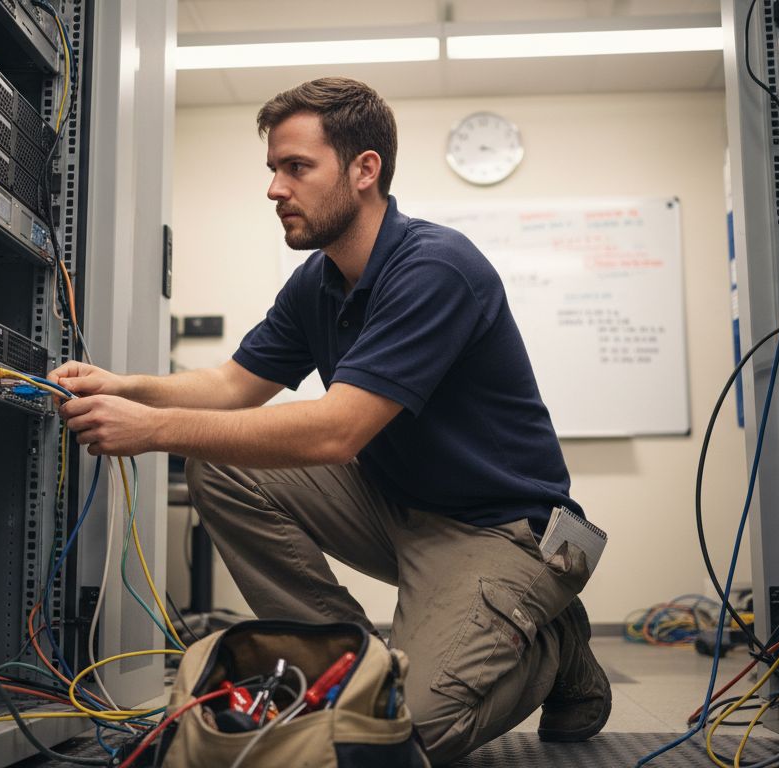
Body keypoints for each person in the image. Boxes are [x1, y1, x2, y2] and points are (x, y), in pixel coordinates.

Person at [48, 76, 610, 764]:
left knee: (395, 737)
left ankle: (555, 645)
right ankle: (354, 660)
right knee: (223, 468)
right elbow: (231, 386)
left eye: (296, 168)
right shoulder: (318, 281)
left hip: (503, 532)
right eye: (274, 170)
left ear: (364, 169)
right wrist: (123, 385)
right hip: (397, 506)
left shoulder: (435, 269)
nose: (275, 189)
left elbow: (336, 431)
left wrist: (151, 430)